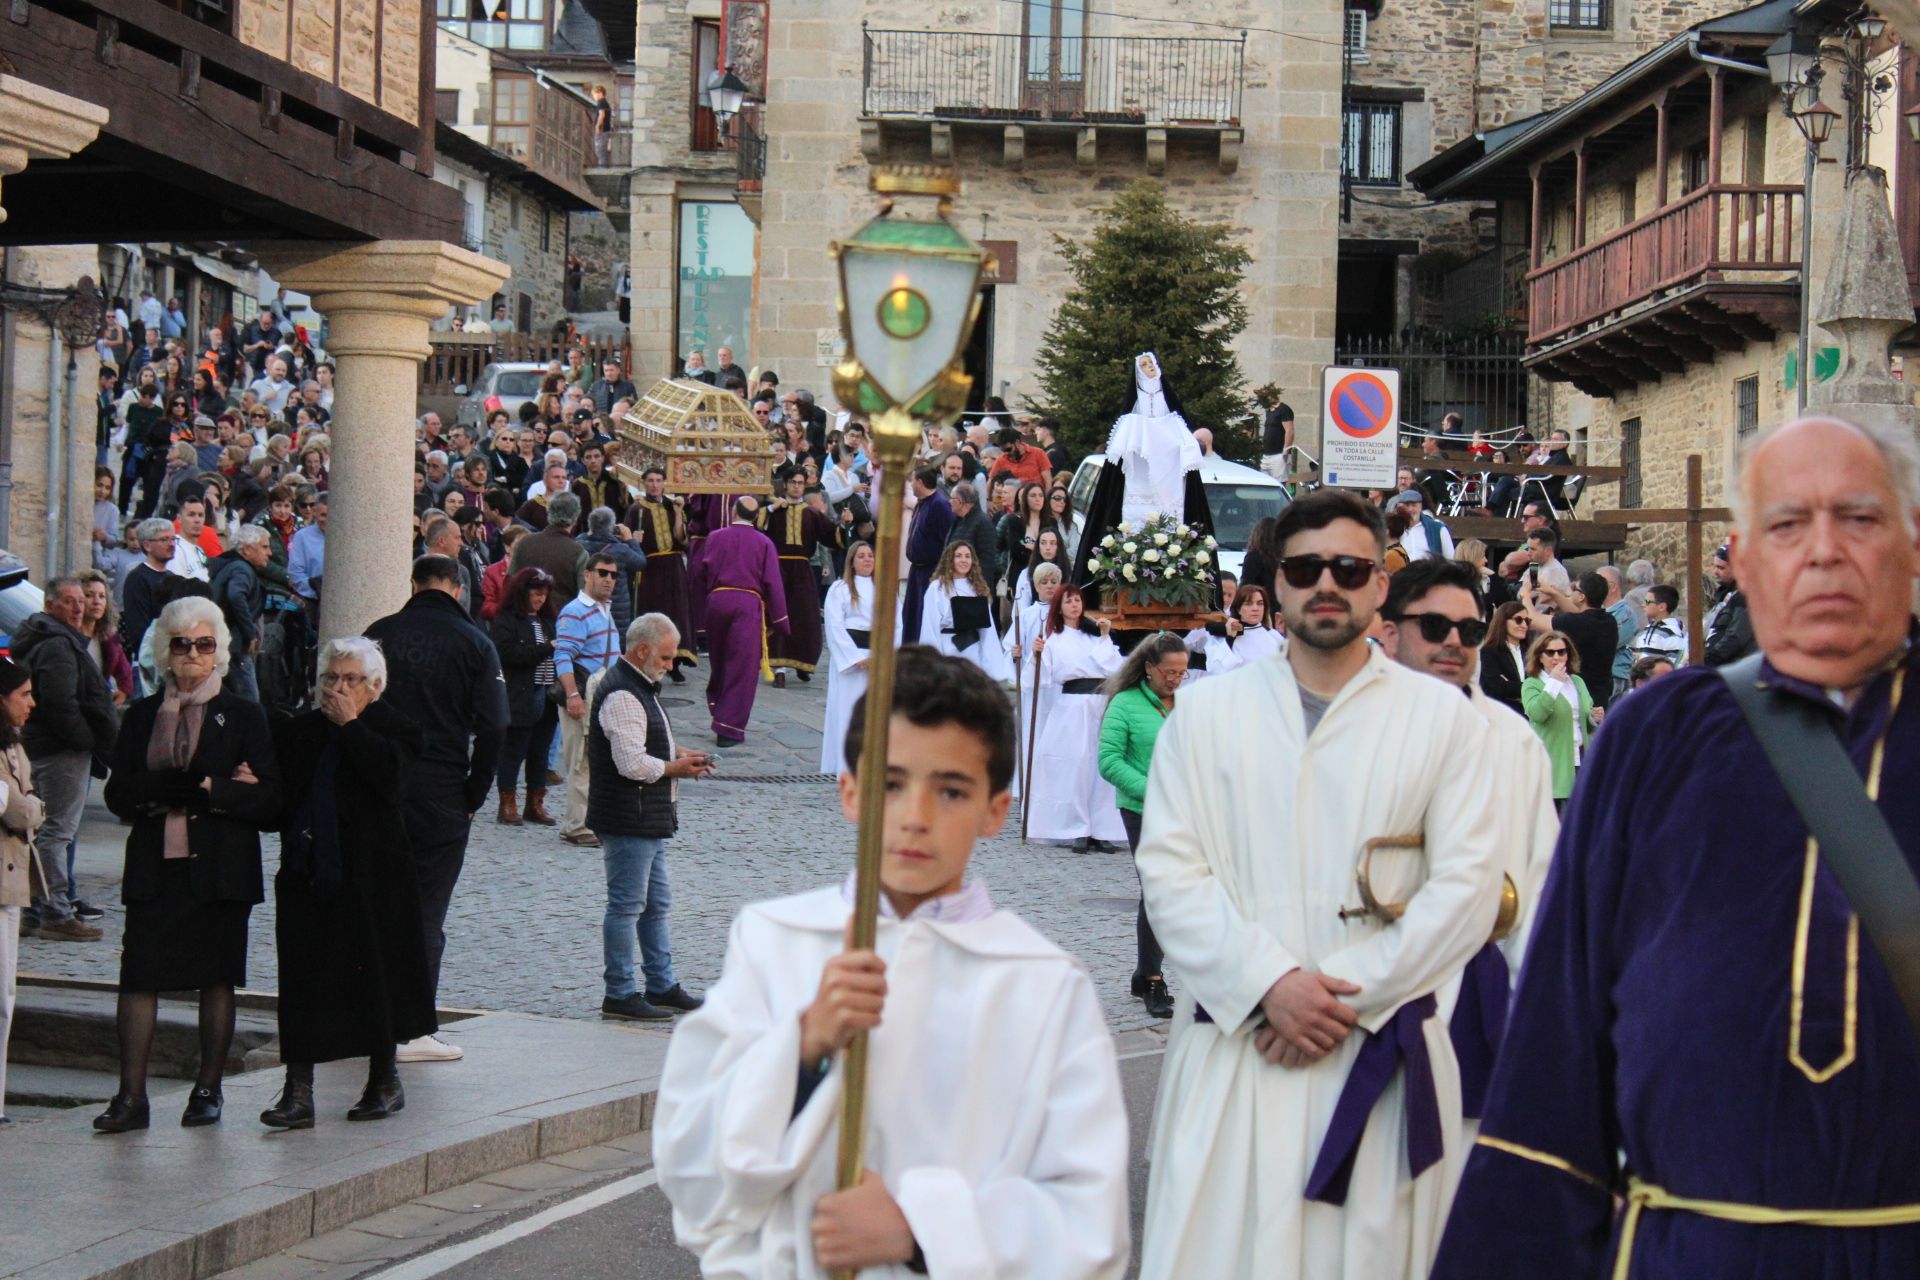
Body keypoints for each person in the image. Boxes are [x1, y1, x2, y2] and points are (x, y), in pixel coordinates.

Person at [1435, 415, 1920, 1275]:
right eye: (1786, 524)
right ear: (1741, 560)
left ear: (1912, 548)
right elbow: (1559, 1044)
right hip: (1690, 1252)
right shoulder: (1656, 738)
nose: (1823, 551)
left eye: (1860, 518)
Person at [653, 647, 1131, 1277]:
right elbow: (692, 1170)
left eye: (952, 790)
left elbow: (1089, 1224)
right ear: (850, 792)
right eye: (891, 784)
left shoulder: (1042, 984)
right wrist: (803, 1046)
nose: (915, 817)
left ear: (996, 809)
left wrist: (919, 1231)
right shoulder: (775, 940)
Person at [1134, 488, 1504, 1280]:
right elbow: (1171, 872)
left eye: (1349, 567)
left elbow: (1465, 890)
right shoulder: (1204, 716)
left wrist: (1338, 997)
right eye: (1306, 568)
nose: (1326, 584)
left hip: (1376, 1053)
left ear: (1379, 586)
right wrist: (1267, 982)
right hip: (1237, 1048)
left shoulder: (1445, 724)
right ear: (1276, 582)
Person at [1379, 558, 1559, 1128]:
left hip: (1477, 992)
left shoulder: (1512, 740)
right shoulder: (1350, 732)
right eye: (1434, 628)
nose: (1454, 642)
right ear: (1388, 632)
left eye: (1471, 630)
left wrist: (1538, 1015)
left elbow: (1539, 880)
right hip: (1373, 989)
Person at [94, 598, 280, 1132]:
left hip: (220, 867)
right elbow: (119, 792)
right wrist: (158, 789)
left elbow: (269, 800)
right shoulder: (146, 715)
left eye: (203, 644)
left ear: (219, 651)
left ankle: (208, 1089)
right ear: (166, 651)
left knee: (217, 979)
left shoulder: (243, 715)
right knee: (138, 977)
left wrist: (210, 789)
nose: (193, 654)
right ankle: (131, 1096)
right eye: (181, 644)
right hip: (157, 863)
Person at [260, 637, 434, 1129]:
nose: (336, 688)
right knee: (302, 980)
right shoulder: (299, 733)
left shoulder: (395, 728)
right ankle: (298, 1090)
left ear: (374, 687)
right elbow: (282, 804)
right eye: (330, 678)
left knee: (374, 976)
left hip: (374, 873)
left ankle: (383, 1079)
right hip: (308, 871)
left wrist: (352, 728)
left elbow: (391, 782)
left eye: (349, 679)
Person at [363, 556, 506, 1063]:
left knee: (376, 906)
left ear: (414, 584)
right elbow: (493, 727)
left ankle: (371, 1016)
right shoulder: (474, 643)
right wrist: (473, 794)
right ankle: (412, 1027)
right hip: (440, 790)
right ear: (458, 589)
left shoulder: (379, 632)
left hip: (378, 785)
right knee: (425, 912)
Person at [588, 614, 711, 1022]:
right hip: (627, 816)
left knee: (655, 903)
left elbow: (648, 740)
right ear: (642, 651)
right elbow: (631, 764)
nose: (670, 665)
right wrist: (675, 768)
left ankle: (661, 984)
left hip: (644, 816)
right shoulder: (623, 693)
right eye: (666, 656)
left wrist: (680, 753)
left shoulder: (639, 685)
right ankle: (619, 992)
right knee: (626, 906)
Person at [16, 579, 118, 942]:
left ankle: (32, 907)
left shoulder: (46, 639)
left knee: (42, 831)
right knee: (57, 832)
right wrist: (86, 740)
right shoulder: (58, 645)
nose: (79, 608)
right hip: (61, 750)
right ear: (50, 605)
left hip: (46, 745)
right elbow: (61, 704)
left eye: (81, 601)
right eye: (70, 602)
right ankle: (55, 911)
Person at [1098, 631, 1188, 1020]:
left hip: (1186, 809)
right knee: (1158, 888)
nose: (1175, 679)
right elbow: (1109, 761)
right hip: (1143, 809)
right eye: (1169, 671)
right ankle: (1152, 978)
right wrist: (1153, 791)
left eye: (1182, 672)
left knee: (1176, 890)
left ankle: (1144, 973)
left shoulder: (1188, 703)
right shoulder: (1125, 704)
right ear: (1149, 667)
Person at [1027, 584, 1124, 852]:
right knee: (1076, 766)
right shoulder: (1054, 640)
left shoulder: (1094, 636)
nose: (1074, 606)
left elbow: (1114, 668)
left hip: (1101, 703)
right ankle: (1076, 826)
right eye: (1069, 601)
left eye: (1078, 601)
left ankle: (1102, 828)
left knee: (1101, 765)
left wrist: (1105, 637)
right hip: (1072, 707)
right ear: (1059, 606)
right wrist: (1035, 656)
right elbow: (1040, 679)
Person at [692, 497, 790, 748]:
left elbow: (700, 572)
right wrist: (781, 621)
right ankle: (729, 728)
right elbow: (773, 583)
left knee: (720, 660)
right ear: (756, 516)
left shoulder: (714, 537)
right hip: (746, 605)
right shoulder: (764, 542)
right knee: (742, 667)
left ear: (733, 511)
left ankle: (719, 709)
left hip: (717, 602)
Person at [553, 550, 623, 847]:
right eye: (602, 573)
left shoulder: (603, 608)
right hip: (583, 695)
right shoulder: (574, 611)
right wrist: (572, 695)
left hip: (601, 695)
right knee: (581, 761)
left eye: (613, 575)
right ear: (587, 574)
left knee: (594, 761)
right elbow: (563, 656)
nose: (609, 579)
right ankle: (576, 826)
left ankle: (588, 821)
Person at [0, 658, 44, 1125]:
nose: (31, 703)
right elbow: (19, 811)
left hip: (11, 883)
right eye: (23, 694)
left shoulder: (15, 746)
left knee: (5, 995)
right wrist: (30, 807)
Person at [820, 542, 899, 776]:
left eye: (870, 556)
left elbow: (896, 624)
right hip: (852, 660)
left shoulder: (885, 589)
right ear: (852, 561)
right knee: (848, 710)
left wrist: (882, 655)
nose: (867, 560)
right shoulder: (840, 589)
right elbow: (834, 625)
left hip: (877, 657)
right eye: (861, 556)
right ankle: (846, 764)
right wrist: (854, 658)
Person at [489, 568, 561, 827]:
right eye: (536, 593)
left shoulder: (547, 621)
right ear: (523, 593)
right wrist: (545, 649)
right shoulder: (507, 620)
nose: (541, 599)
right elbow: (508, 654)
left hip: (547, 693)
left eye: (544, 594)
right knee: (514, 750)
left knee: (540, 752)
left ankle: (535, 802)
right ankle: (507, 802)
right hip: (520, 693)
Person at [758, 470, 838, 684]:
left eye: (800, 483)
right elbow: (756, 525)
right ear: (785, 484)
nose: (796, 486)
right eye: (792, 482)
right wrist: (770, 507)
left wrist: (845, 524)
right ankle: (780, 668)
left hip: (802, 570)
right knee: (778, 616)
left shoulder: (811, 513)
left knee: (805, 618)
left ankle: (803, 662)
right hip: (778, 569)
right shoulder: (774, 511)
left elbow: (832, 535)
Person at [625, 468, 694, 681]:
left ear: (664, 483)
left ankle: (676, 662)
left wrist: (676, 513)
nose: (654, 485)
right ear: (643, 483)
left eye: (658, 480)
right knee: (654, 612)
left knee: (677, 611)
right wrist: (633, 539)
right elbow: (627, 538)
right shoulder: (636, 508)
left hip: (673, 564)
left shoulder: (673, 505)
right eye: (650, 481)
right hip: (651, 566)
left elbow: (681, 539)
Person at [1520, 629, 1601, 810]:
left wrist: (1595, 717)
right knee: (1554, 818)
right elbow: (1537, 714)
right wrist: (1553, 683)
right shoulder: (1532, 684)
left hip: (1580, 756)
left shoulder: (1577, 682)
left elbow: (1586, 722)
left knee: (1581, 816)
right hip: (1552, 759)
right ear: (1540, 657)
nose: (1556, 657)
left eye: (1561, 652)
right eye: (1550, 652)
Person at [921, 541, 1013, 683]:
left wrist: (994, 667)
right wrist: (934, 662)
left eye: (967, 556)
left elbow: (987, 631)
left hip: (974, 652)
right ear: (950, 559)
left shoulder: (978, 587)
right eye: (958, 556)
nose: (963, 560)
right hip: (948, 650)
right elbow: (930, 626)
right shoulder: (937, 588)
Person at [901, 467, 952, 644]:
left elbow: (947, 540)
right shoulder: (922, 502)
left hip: (931, 571)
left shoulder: (939, 504)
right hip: (918, 570)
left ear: (920, 482)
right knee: (911, 616)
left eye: (913, 480)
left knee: (924, 618)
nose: (911, 484)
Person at [1201, 583, 1283, 676]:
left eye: (1260, 604)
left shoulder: (1274, 636)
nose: (1255, 608)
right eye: (1248, 604)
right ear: (1238, 609)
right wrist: (1230, 639)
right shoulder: (1221, 637)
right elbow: (1216, 670)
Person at [1703, 543, 1756, 666]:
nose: (1715, 572)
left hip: (1734, 666)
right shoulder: (1724, 593)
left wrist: (1710, 659)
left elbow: (1736, 636)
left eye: (1721, 568)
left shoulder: (1745, 596)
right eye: (1715, 567)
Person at [1477, 600, 1531, 716]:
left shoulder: (1531, 652)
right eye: (1518, 620)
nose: (1524, 625)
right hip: (1502, 716)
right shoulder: (1489, 652)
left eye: (1527, 621)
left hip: (1529, 718)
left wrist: (1513, 687)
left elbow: (1541, 684)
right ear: (1503, 621)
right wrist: (1530, 690)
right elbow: (1499, 687)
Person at [1632, 583, 1689, 665]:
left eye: (1647, 602)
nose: (1643, 605)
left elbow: (1673, 663)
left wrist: (1642, 658)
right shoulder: (1646, 629)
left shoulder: (1672, 633)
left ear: (1662, 607)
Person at [1261, 394, 1296, 480]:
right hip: (1267, 454)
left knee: (1280, 482)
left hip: (1279, 454)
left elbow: (1289, 431)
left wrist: (1285, 451)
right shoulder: (1269, 411)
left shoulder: (1284, 409)